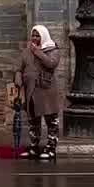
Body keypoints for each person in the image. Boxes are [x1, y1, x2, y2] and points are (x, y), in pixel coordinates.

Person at [17, 24, 62, 161]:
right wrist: (18, 78)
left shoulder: (52, 49)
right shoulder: (26, 51)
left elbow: (51, 64)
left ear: (43, 36)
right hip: (31, 90)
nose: (35, 38)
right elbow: (19, 67)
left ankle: (51, 147)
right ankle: (34, 147)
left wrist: (38, 52)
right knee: (33, 120)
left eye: (38, 35)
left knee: (51, 120)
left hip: (46, 89)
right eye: (33, 35)